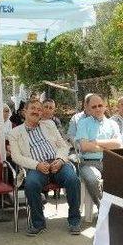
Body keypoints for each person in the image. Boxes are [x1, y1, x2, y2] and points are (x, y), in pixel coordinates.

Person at [9, 100, 81, 236]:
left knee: (73, 179)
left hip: (57, 163)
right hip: (36, 166)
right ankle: (38, 223)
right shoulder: (15, 133)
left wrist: (60, 160)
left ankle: (74, 220)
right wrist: (37, 165)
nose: (36, 111)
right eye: (32, 108)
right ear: (25, 112)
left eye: (39, 109)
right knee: (31, 184)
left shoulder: (49, 124)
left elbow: (63, 146)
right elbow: (16, 157)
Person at [75, 94, 122, 206]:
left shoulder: (113, 124)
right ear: (88, 109)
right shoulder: (83, 123)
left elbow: (117, 144)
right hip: (88, 163)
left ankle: (121, 209)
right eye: (94, 106)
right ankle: (104, 209)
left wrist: (95, 142)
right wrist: (107, 146)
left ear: (105, 106)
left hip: (110, 161)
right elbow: (85, 147)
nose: (97, 109)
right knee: (92, 180)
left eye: (100, 105)